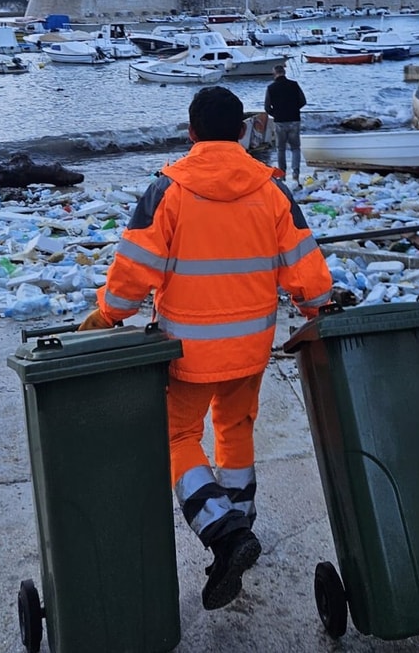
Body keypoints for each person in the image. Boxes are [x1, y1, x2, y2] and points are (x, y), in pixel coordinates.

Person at [79, 86, 332, 611]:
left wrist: (107, 314)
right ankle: (242, 529)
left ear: (190, 133)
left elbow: (132, 274)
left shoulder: (168, 189)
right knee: (235, 430)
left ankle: (224, 534)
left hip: (188, 350)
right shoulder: (273, 190)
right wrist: (315, 310)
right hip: (251, 346)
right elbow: (308, 275)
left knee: (177, 437)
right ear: (242, 131)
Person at [264, 64, 307, 187]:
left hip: (280, 121)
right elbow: (303, 101)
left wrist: (276, 114)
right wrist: (294, 109)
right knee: (295, 148)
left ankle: (282, 175)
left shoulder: (271, 88)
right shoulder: (294, 85)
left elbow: (266, 107)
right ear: (284, 72)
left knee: (281, 149)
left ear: (275, 73)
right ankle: (295, 175)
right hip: (294, 120)